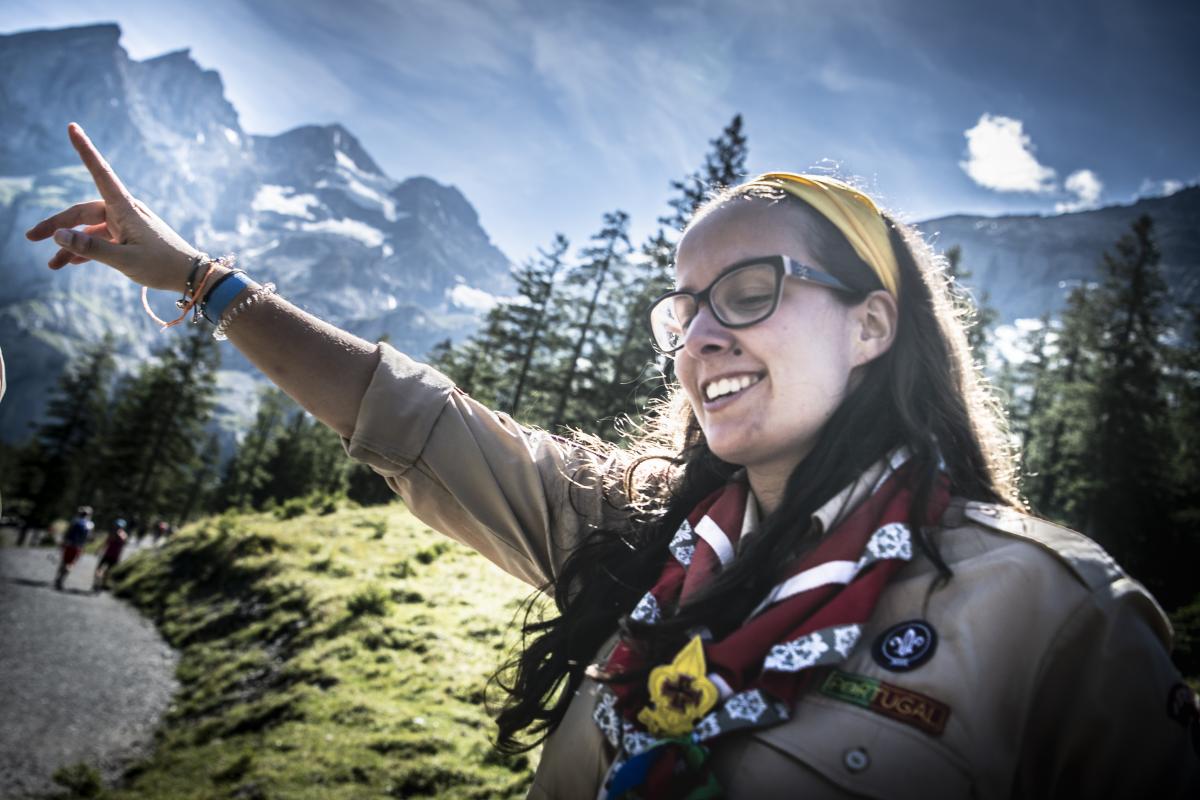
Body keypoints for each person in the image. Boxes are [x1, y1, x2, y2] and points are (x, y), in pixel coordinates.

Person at [27, 123, 1198, 798]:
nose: (702, 334)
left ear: (872, 325)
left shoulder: (1055, 616)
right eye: (683, 307)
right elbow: (411, 417)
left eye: (751, 291)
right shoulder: (638, 534)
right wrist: (199, 279)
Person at [55, 504, 94, 590]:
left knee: (64, 562)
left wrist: (63, 543)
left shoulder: (75, 521)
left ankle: (58, 578)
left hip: (69, 544)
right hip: (78, 547)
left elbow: (67, 533)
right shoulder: (89, 525)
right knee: (71, 564)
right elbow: (89, 538)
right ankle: (62, 580)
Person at [93, 518, 129, 591]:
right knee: (108, 571)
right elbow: (122, 548)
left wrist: (98, 550)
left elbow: (105, 544)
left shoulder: (111, 534)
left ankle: (97, 582)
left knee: (99, 569)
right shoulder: (124, 536)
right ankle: (103, 584)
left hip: (107, 554)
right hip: (115, 557)